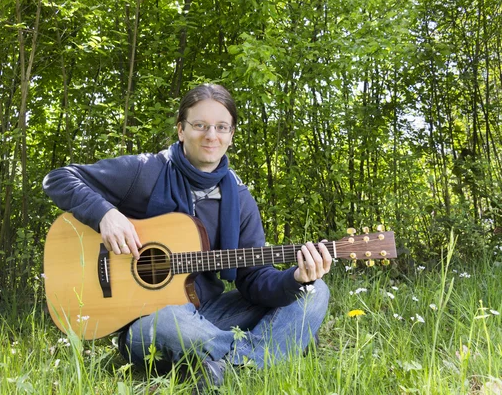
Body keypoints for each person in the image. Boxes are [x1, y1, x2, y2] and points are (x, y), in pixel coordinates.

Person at [43, 84, 332, 391]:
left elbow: (254, 280)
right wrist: (105, 215)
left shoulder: (240, 200)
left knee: (315, 291)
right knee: (170, 322)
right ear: (181, 130)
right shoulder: (146, 172)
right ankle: (275, 347)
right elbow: (59, 178)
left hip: (208, 313)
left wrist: (295, 279)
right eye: (200, 125)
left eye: (222, 127)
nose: (211, 135)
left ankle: (222, 364)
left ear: (231, 135)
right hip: (149, 322)